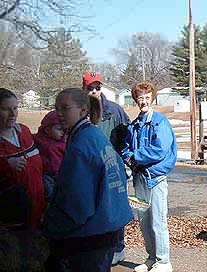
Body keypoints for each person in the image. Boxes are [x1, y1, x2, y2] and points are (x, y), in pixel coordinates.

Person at [43, 88, 133, 272]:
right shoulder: (95, 135)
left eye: (66, 108)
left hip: (90, 236)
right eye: (56, 108)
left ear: (83, 110)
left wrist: (50, 225)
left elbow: (77, 203)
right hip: (108, 228)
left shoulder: (81, 145)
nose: (59, 114)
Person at [122, 81, 177, 272]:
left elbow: (160, 149)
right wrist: (128, 156)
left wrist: (136, 157)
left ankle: (164, 262)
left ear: (152, 98)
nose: (143, 101)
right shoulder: (134, 125)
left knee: (158, 221)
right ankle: (151, 258)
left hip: (156, 179)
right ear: (136, 100)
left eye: (146, 97)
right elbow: (126, 147)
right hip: (139, 181)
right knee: (144, 220)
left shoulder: (160, 121)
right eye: (140, 98)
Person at [82, 71, 131, 264]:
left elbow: (128, 138)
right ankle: (95, 250)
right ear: (83, 88)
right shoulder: (79, 109)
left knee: (115, 210)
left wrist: (125, 161)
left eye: (97, 87)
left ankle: (118, 248)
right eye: (90, 87)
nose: (94, 90)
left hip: (113, 170)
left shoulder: (115, 111)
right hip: (88, 173)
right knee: (92, 212)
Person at [0, 88, 45, 228]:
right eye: (6, 109)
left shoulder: (24, 131)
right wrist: (5, 165)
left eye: (15, 108)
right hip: (11, 223)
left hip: (39, 210)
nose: (13, 114)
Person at [33, 110, 67, 201]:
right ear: (47, 130)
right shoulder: (38, 140)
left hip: (60, 174)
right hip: (45, 175)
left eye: (64, 129)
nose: (62, 132)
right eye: (59, 129)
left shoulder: (64, 142)